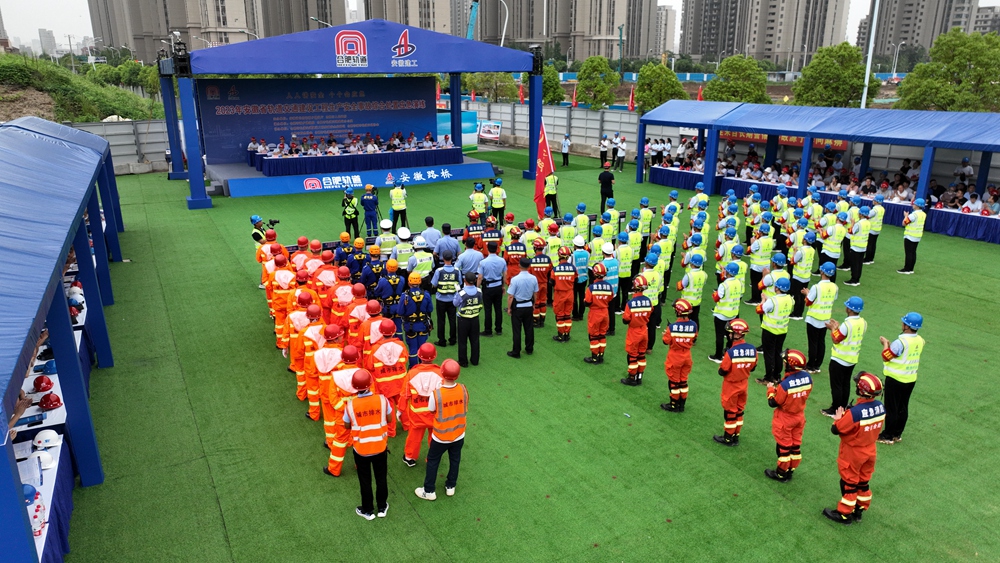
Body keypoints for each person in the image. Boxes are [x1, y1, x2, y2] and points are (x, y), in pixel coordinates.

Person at [824, 372, 885, 525]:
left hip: (854, 452)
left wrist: (838, 419)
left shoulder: (855, 413)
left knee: (849, 483)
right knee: (863, 482)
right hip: (870, 450)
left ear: (860, 390)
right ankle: (859, 510)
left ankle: (844, 514)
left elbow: (836, 429)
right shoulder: (880, 407)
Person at [414, 359, 468, 501]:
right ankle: (451, 486)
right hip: (458, 434)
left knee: (433, 461)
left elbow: (431, 409)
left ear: (442, 373)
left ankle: (429, 490)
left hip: (441, 436)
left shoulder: (436, 394)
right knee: (455, 459)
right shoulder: (463, 389)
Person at [343, 369, 390, 520]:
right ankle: (382, 507)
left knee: (365, 480)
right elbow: (389, 418)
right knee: (381, 478)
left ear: (354, 387)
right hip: (380, 447)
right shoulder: (382, 400)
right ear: (370, 384)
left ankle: (368, 510)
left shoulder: (350, 405)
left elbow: (346, 425)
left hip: (361, 449)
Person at [764, 349, 812, 482]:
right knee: (795, 446)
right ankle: (790, 471)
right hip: (799, 417)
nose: (784, 363)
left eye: (785, 362)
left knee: (783, 448)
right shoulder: (808, 378)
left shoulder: (785, 385)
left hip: (785, 418)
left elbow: (773, 402)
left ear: (790, 366)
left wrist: (770, 390)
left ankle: (781, 474)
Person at [878, 312, 925, 444]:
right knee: (903, 407)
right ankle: (897, 434)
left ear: (907, 326)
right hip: (910, 379)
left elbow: (885, 356)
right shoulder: (920, 340)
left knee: (891, 408)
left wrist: (885, 344)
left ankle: (887, 435)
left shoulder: (900, 342)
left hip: (895, 379)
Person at [714, 319, 757, 446]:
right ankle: (736, 436)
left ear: (737, 334)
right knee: (739, 410)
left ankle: (728, 438)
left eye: (730, 332)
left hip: (731, 386)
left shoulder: (731, 353)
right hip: (744, 384)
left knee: (730, 412)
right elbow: (753, 368)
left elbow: (722, 371)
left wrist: (725, 358)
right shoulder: (752, 350)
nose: (728, 334)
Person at [399, 343, 443, 467]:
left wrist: (400, 410)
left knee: (414, 437)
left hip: (416, 415)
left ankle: (410, 457)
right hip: (435, 415)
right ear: (434, 356)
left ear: (419, 356)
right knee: (434, 437)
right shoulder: (440, 373)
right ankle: (433, 458)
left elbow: (405, 394)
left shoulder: (412, 373)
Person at [822, 296, 867, 416]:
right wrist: (837, 328)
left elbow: (836, 339)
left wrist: (833, 328)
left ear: (850, 309)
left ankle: (835, 409)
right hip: (852, 358)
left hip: (839, 358)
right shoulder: (863, 322)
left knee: (836, 385)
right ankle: (842, 407)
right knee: (845, 384)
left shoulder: (847, 324)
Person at [660, 298, 698, 412]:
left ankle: (673, 405)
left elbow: (665, 341)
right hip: (687, 356)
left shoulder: (672, 327)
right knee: (683, 381)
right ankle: (682, 405)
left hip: (675, 357)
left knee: (674, 382)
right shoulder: (694, 325)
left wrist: (666, 333)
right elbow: (694, 337)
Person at [756, 277, 793, 385]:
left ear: (777, 288)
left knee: (769, 354)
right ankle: (777, 376)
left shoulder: (773, 300)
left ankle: (768, 378)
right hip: (782, 330)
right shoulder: (790, 299)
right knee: (778, 353)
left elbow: (759, 309)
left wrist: (763, 300)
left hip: (770, 330)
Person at [802, 261, 838, 373]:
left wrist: (807, 294)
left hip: (813, 318)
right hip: (825, 318)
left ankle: (810, 366)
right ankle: (817, 365)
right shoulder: (835, 287)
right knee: (821, 342)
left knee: (813, 342)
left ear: (822, 271)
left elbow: (808, 302)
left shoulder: (816, 287)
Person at [709, 262, 743, 363]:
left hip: (722, 314)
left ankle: (718, 356)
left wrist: (714, 294)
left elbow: (716, 298)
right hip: (733, 313)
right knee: (730, 335)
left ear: (727, 272)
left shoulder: (724, 285)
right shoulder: (739, 282)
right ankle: (729, 351)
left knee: (719, 335)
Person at [621, 275, 651, 386]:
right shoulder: (648, 301)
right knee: (641, 355)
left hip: (634, 332)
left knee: (632, 355)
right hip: (644, 330)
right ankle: (639, 377)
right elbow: (650, 313)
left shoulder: (631, 303)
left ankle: (632, 378)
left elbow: (626, 320)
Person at [399, 272, 433, 367]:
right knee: (422, 348)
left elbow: (400, 311)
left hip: (411, 327)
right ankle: (423, 367)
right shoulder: (426, 294)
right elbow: (430, 309)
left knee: (413, 350)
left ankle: (414, 368)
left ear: (409, 282)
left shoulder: (405, 296)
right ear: (420, 282)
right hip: (423, 325)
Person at [582, 262, 614, 364]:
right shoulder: (609, 287)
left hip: (595, 313)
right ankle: (601, 356)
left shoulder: (591, 288)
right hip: (605, 312)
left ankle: (594, 357)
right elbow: (610, 298)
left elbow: (587, 302)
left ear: (594, 274)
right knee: (602, 335)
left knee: (594, 336)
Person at [477, 242, 507, 337]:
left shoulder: (483, 262)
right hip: (498, 286)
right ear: (497, 249)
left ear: (487, 249)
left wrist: (477, 288)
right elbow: (505, 275)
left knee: (488, 309)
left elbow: (480, 277)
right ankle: (499, 329)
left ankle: (488, 330)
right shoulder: (502, 260)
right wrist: (503, 286)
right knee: (498, 308)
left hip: (488, 288)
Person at [454, 273, 483, 367]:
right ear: (475, 280)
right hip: (475, 318)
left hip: (463, 320)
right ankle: (475, 360)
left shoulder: (461, 293)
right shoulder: (479, 291)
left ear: (464, 280)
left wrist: (457, 292)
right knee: (475, 340)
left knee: (462, 341)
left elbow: (455, 303)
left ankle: (463, 362)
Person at [431, 251, 459, 347]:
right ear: (452, 259)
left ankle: (442, 341)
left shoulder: (439, 271)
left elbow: (434, 284)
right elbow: (459, 283)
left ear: (443, 259)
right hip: (452, 299)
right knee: (452, 320)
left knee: (441, 320)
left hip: (441, 300)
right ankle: (453, 339)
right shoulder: (456, 270)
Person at [676, 253, 707, 331]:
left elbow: (681, 286)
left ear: (691, 263)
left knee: (684, 320)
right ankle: (695, 334)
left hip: (687, 302)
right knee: (695, 318)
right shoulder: (704, 274)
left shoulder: (689, 275)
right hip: (697, 301)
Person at [551, 246, 577, 342]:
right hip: (570, 293)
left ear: (559, 255)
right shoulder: (573, 268)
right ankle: (567, 334)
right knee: (567, 315)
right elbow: (576, 280)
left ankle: (561, 335)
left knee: (560, 315)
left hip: (559, 294)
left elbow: (551, 282)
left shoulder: (555, 269)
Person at [898, 198, 926, 275]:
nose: (913, 205)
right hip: (917, 235)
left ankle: (906, 269)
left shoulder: (913, 215)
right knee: (913, 252)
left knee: (908, 253)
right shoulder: (923, 214)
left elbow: (904, 223)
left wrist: (906, 216)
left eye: (914, 204)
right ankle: (911, 269)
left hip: (910, 235)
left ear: (917, 205)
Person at [529, 239, 553, 327]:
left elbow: (529, 273)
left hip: (535, 285)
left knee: (536, 302)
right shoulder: (548, 259)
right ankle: (542, 320)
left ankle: (536, 321)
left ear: (535, 248)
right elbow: (550, 270)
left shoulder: (532, 261)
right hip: (544, 284)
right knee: (543, 302)